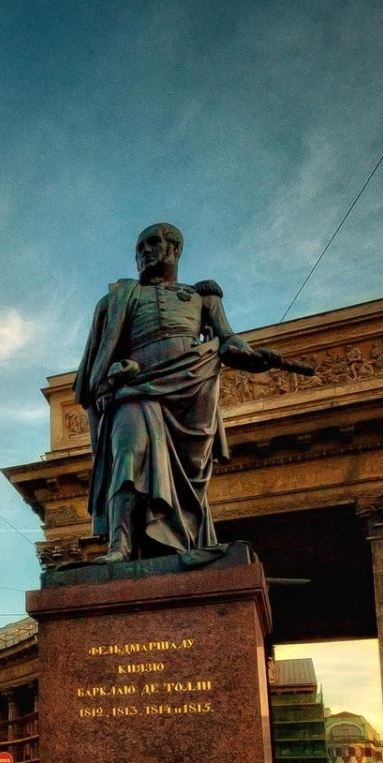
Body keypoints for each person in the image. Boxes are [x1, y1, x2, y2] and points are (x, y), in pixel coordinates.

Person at [75, 223, 311, 563]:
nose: (146, 252)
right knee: (128, 454)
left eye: (154, 243)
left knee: (188, 477)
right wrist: (110, 376)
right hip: (136, 389)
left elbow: (228, 340)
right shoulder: (119, 298)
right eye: (140, 247)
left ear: (175, 250)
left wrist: (254, 357)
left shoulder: (203, 298)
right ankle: (119, 546)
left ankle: (182, 540)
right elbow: (97, 361)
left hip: (191, 389)